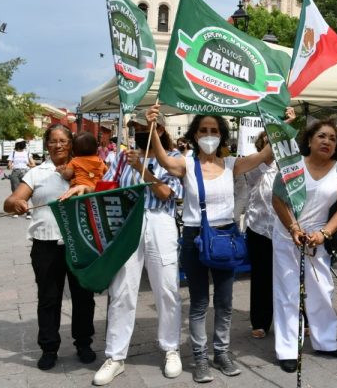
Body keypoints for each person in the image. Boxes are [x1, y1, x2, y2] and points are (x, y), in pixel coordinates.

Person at [145, 103, 274, 383]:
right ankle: (200, 356)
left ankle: (222, 352)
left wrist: (279, 123)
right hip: (195, 238)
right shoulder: (186, 163)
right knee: (200, 302)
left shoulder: (232, 164)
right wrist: (154, 128)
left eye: (214, 130)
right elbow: (164, 162)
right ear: (194, 134)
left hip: (225, 236)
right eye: (203, 129)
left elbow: (267, 153)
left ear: (222, 135)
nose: (208, 134)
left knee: (225, 302)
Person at [85, 110, 185, 385]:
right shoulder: (121, 157)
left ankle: (171, 347)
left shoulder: (175, 159)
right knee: (123, 289)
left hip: (159, 221)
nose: (137, 131)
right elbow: (108, 189)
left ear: (160, 131)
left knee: (166, 288)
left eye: (143, 127)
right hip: (128, 223)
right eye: (135, 127)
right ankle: (115, 356)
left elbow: (167, 194)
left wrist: (144, 167)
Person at [3, 124, 96, 371]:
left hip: (80, 244)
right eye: (53, 141)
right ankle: (49, 348)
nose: (58, 145)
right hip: (46, 246)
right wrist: (18, 202)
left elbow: (100, 192)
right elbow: (10, 202)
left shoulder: (84, 168)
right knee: (48, 299)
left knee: (83, 297)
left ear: (71, 144)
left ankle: (84, 343)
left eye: (63, 141)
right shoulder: (36, 173)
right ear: (47, 145)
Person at [271, 119, 337, 373]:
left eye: (332, 138)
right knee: (288, 294)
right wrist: (294, 228)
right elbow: (277, 200)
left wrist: (324, 233)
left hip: (318, 238)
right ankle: (287, 350)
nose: (327, 141)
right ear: (309, 140)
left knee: (322, 289)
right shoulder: (292, 165)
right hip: (288, 236)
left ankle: (326, 342)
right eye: (321, 136)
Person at [245, 107, 295, 340]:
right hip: (258, 228)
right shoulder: (254, 165)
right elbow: (250, 181)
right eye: (268, 136)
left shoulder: (291, 163)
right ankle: (261, 321)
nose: (273, 140)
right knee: (261, 276)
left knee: (289, 275)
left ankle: (294, 317)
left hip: (285, 228)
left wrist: (286, 128)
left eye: (276, 137)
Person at [8, 140, 36, 218]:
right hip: (15, 172)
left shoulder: (27, 153)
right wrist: (10, 166)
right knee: (15, 192)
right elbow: (9, 164)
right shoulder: (13, 153)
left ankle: (28, 212)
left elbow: (33, 164)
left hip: (25, 172)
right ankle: (16, 211)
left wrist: (29, 164)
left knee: (27, 192)